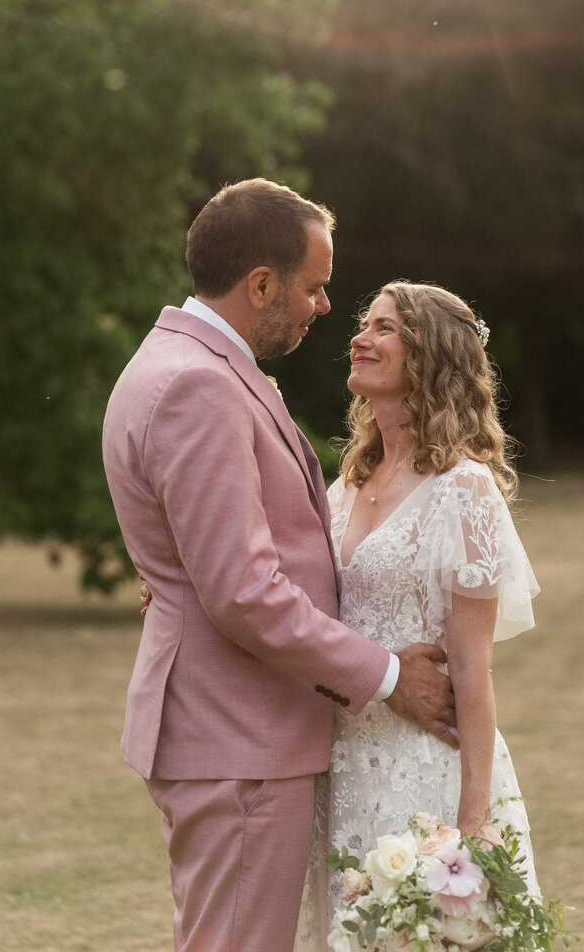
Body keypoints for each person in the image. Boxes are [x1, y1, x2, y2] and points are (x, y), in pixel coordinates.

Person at [101, 180, 456, 952]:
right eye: (314, 286)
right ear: (260, 283)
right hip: (239, 734)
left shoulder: (183, 363)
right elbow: (243, 592)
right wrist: (389, 678)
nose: (325, 306)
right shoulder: (199, 384)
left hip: (233, 730)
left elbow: (210, 564)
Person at [294, 281, 541, 950]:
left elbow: (471, 666)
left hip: (426, 765)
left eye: (384, 329)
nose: (360, 337)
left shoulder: (464, 489)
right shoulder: (343, 487)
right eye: (362, 324)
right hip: (342, 761)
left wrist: (475, 819)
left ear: (428, 356)